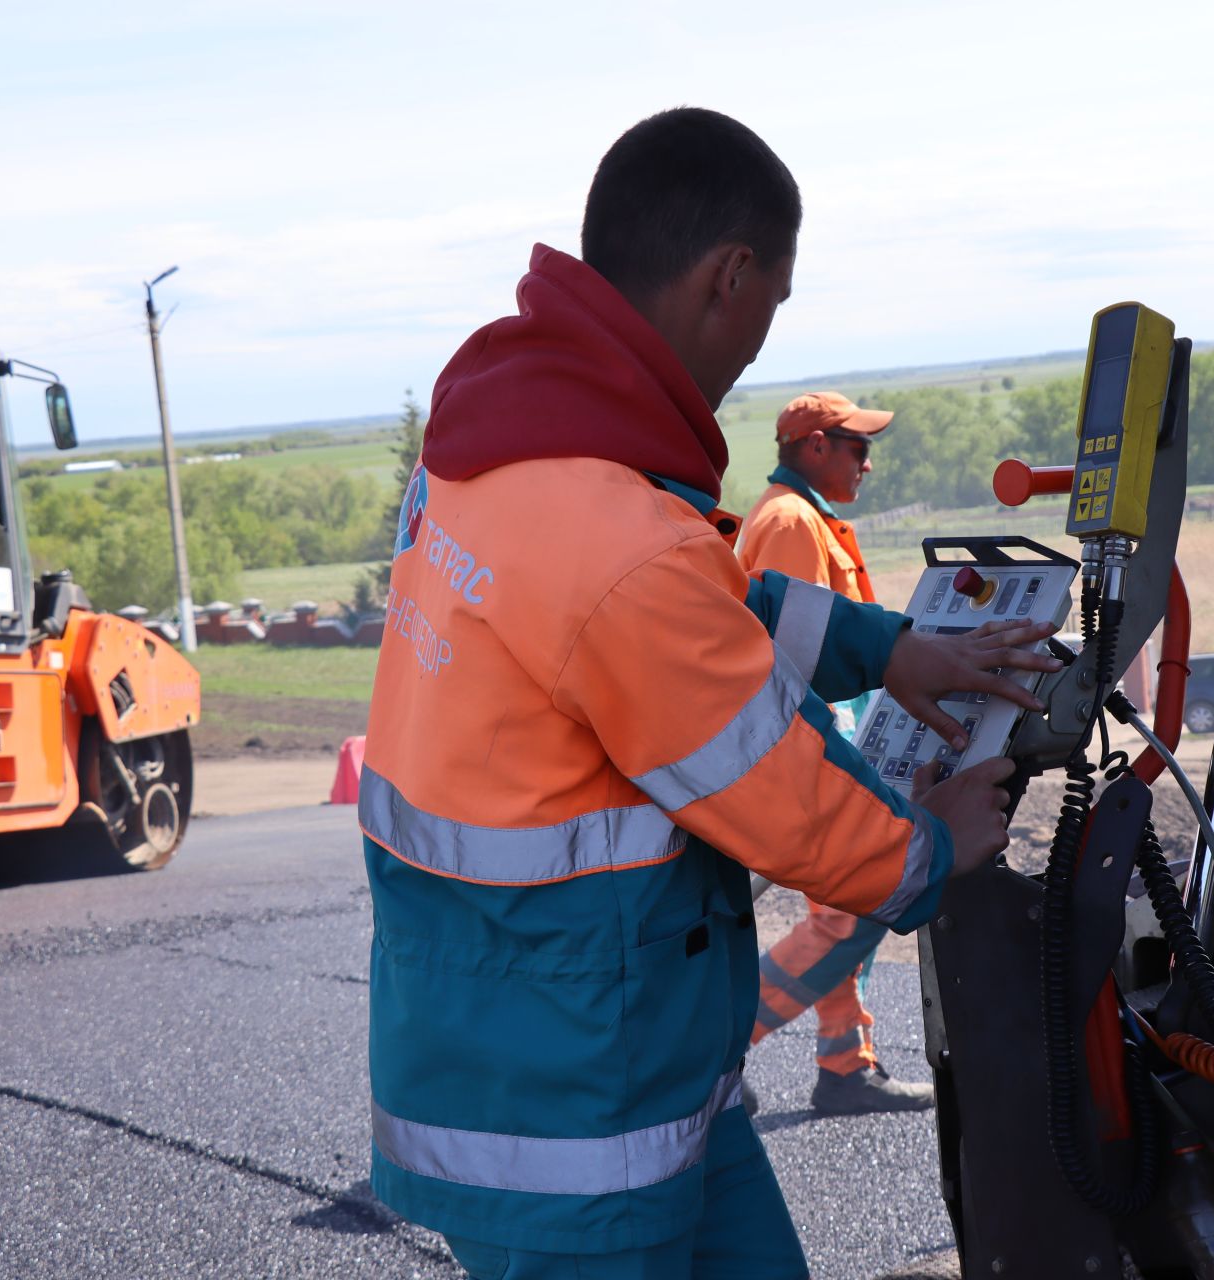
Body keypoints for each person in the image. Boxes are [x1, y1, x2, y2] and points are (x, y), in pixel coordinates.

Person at [357, 106, 1059, 1280]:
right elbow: (775, 792)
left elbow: (689, 611)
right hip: (578, 1102)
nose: (753, 353)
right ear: (729, 276)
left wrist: (887, 649)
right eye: (769, 311)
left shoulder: (508, 443)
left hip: (571, 1034)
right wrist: (930, 846)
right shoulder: (616, 537)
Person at [737, 392, 931, 1115]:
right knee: (855, 915)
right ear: (815, 447)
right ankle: (718, 1049)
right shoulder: (789, 522)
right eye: (857, 447)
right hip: (809, 756)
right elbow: (798, 660)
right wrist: (838, 766)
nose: (868, 463)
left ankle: (845, 1066)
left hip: (820, 751)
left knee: (846, 907)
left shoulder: (800, 516)